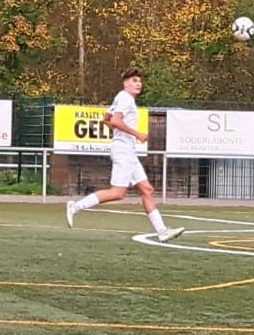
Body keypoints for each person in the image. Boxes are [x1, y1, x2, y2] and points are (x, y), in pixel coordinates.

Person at [64, 68, 185, 242]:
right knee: (117, 193)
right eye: (134, 81)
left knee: (147, 190)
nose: (138, 84)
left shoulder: (121, 98)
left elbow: (106, 119)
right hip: (123, 151)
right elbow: (115, 120)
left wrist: (120, 132)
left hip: (128, 151)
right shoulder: (125, 98)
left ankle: (162, 231)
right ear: (125, 83)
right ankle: (75, 207)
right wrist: (137, 134)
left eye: (139, 81)